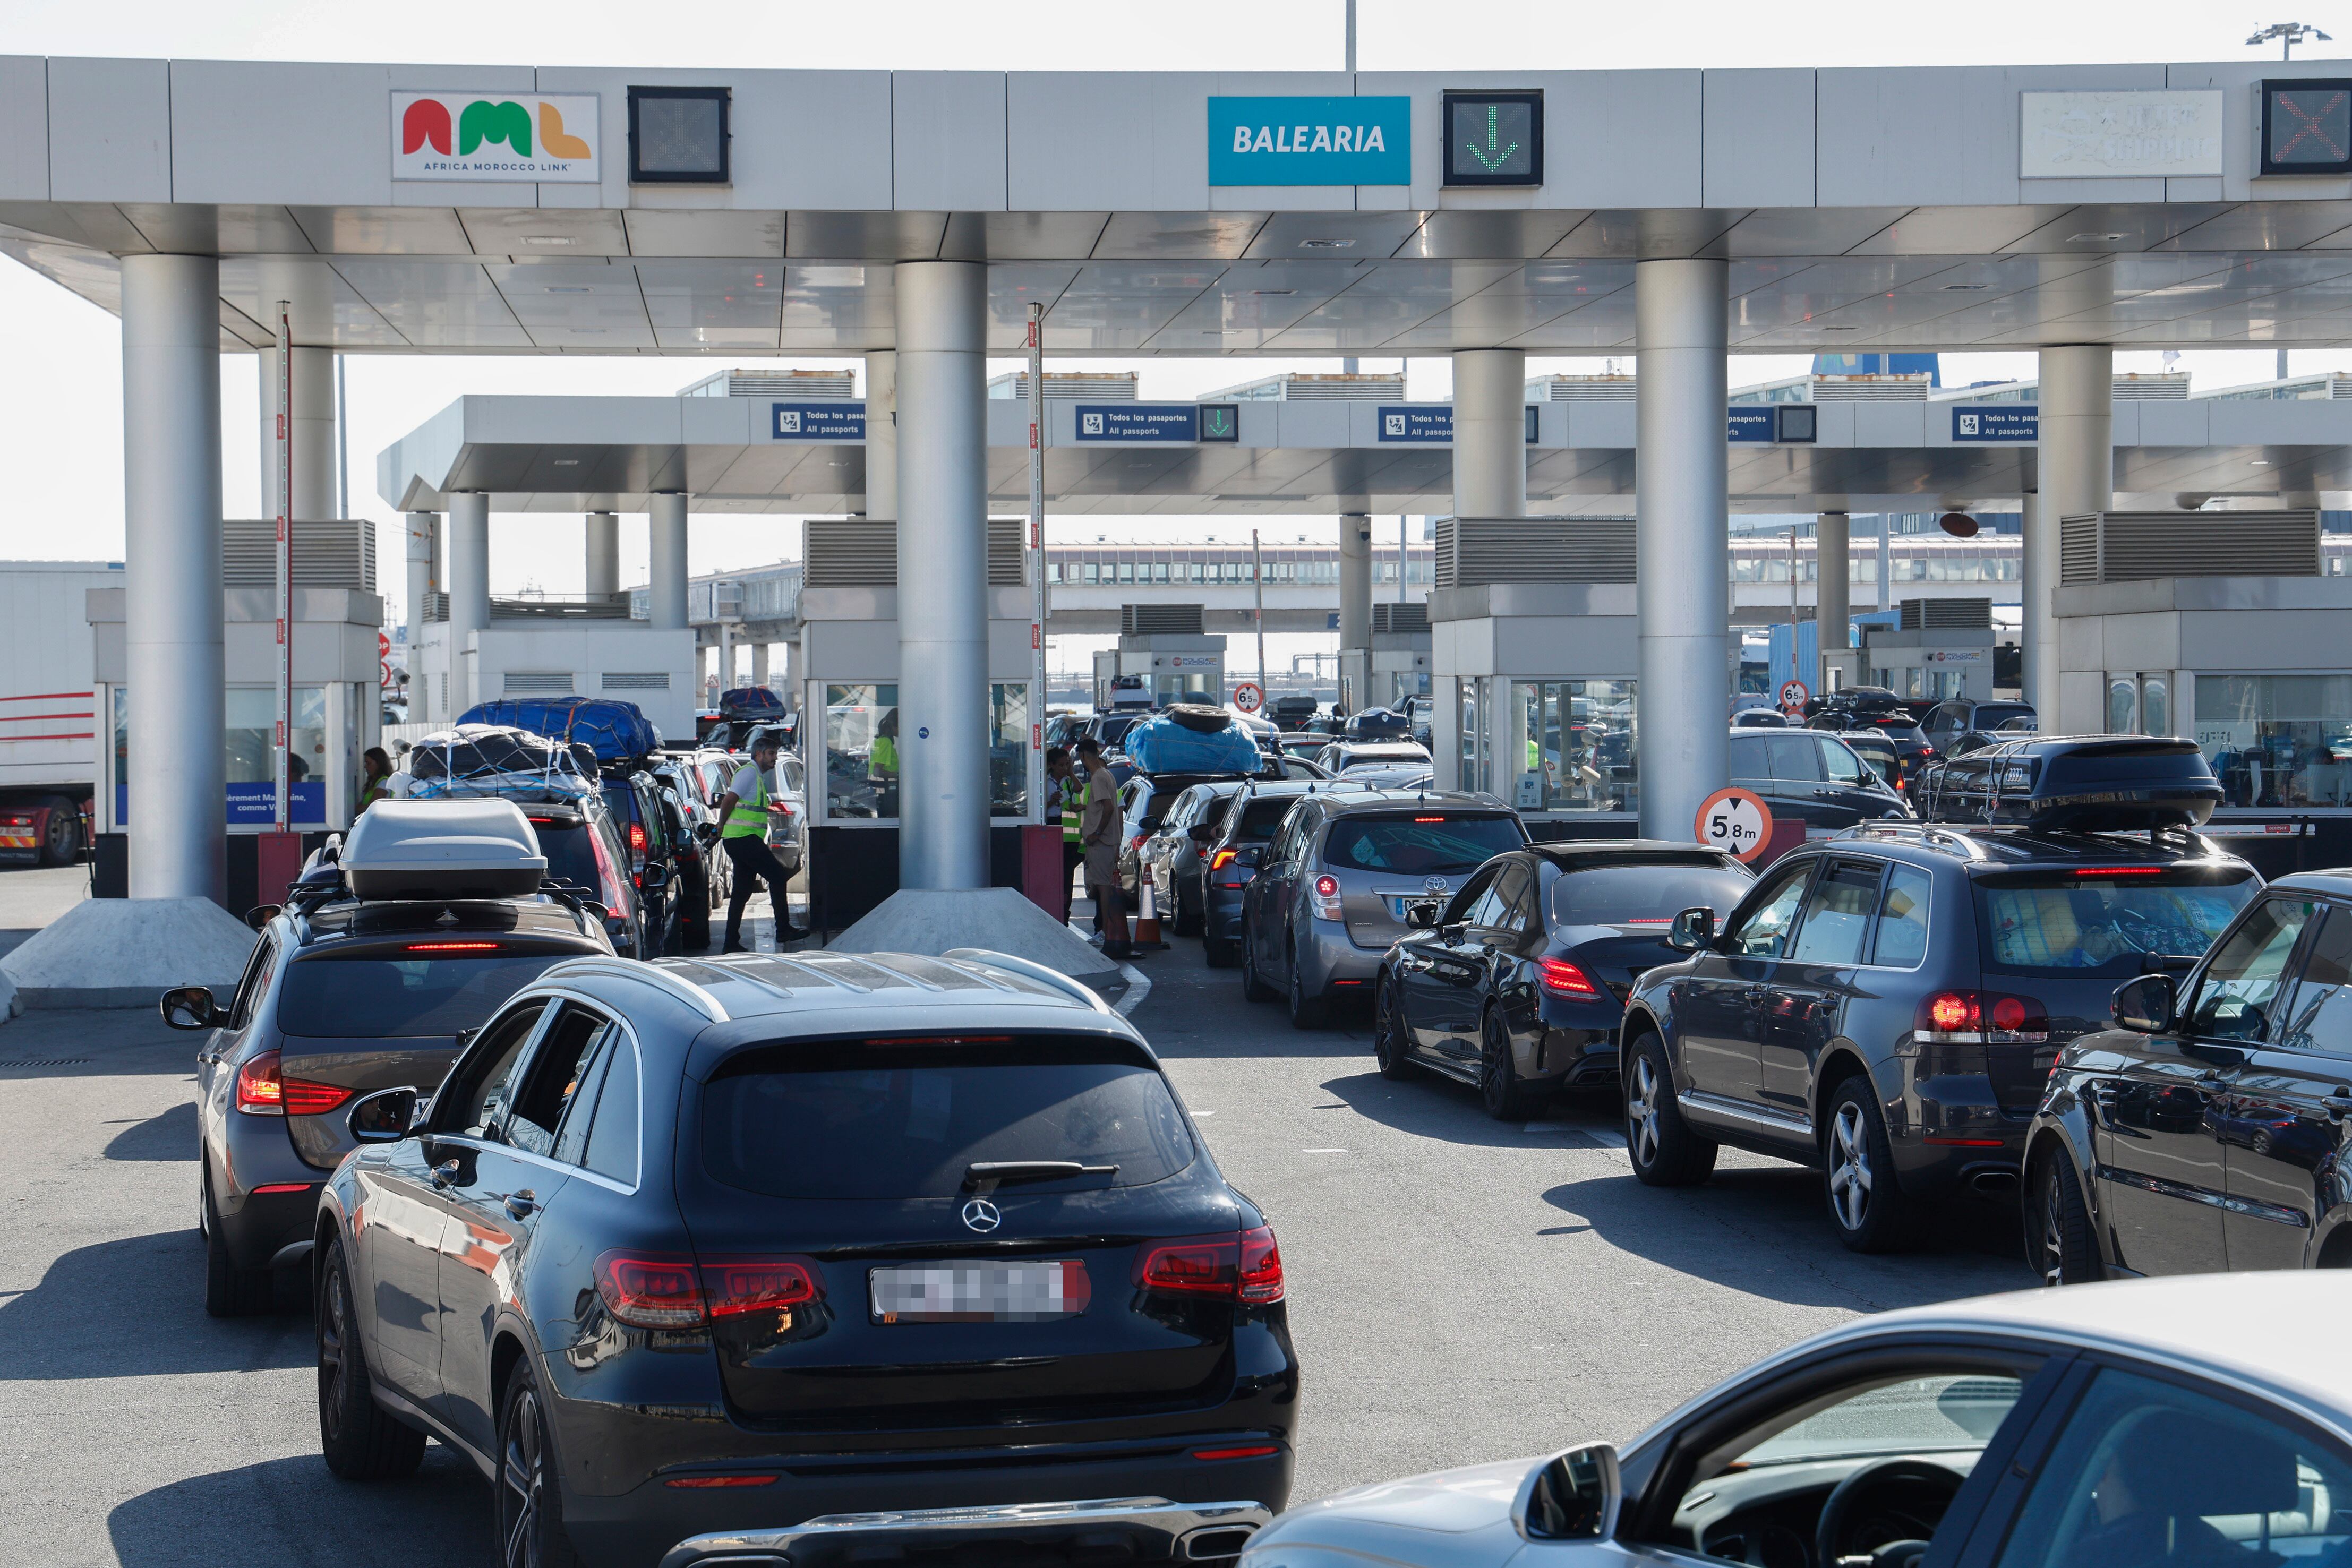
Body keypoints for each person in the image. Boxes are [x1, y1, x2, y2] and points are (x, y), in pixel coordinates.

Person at [711, 734, 809, 953]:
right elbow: (729, 800)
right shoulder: (749, 773)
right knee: (778, 875)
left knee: (741, 893)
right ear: (759, 754)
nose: (774, 758)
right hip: (742, 839)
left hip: (742, 840)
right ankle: (783, 929)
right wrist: (719, 826)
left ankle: (730, 943)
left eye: (775, 754)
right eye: (771, 754)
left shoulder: (756, 776)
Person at [1075, 737, 1135, 961]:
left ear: (1082, 756)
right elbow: (1106, 806)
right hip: (1108, 841)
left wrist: (1096, 833)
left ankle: (1106, 931)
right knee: (1103, 887)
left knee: (1102, 888)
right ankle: (1107, 930)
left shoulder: (1099, 777)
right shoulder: (1106, 774)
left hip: (1101, 842)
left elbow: (1109, 808)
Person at [1045, 746, 1085, 923]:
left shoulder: (1068, 781)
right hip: (1052, 825)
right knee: (1052, 871)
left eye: (1066, 764)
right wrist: (1050, 802)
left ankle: (1065, 914)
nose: (1063, 768)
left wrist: (1071, 772)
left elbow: (1079, 788)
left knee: (1068, 872)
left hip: (1069, 830)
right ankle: (1052, 909)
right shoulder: (1045, 782)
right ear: (1051, 765)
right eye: (1060, 765)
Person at [356, 747, 394, 813]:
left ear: (379, 764)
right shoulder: (374, 782)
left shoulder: (384, 783)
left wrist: (357, 809)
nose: (365, 766)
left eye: (369, 763)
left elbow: (372, 808)